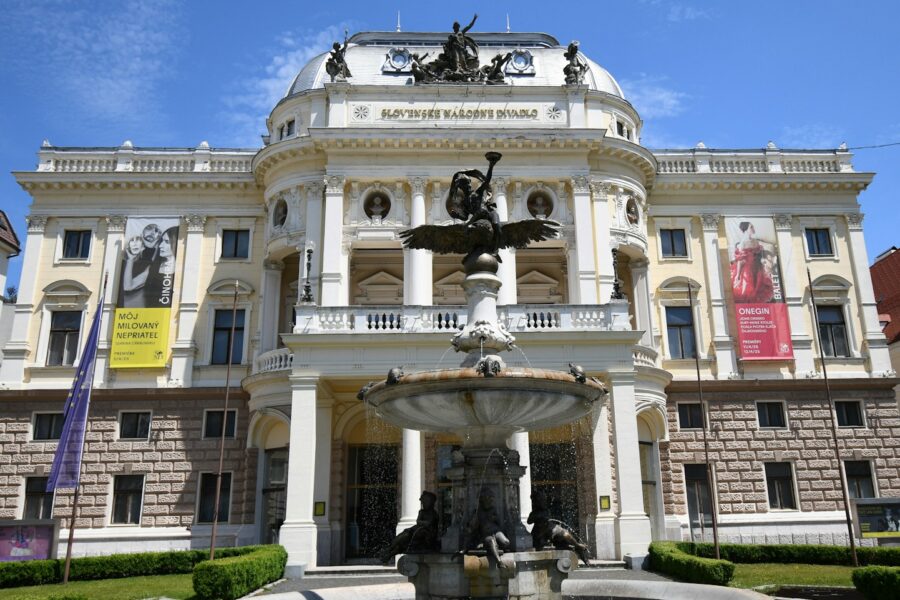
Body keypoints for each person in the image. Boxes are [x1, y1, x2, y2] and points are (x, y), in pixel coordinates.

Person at [379, 491, 440, 563]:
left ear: (431, 502)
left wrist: (423, 524)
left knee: (410, 537)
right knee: (405, 534)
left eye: (425, 501)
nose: (423, 504)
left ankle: (390, 553)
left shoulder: (433, 513)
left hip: (426, 533)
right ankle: (390, 549)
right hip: (417, 529)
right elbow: (419, 521)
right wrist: (424, 523)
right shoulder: (422, 512)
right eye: (423, 502)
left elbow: (429, 524)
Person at [730, 221, 775, 303]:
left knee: (759, 286)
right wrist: (738, 275)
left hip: (757, 267)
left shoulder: (755, 241)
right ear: (746, 229)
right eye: (751, 227)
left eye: (753, 226)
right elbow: (740, 260)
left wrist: (763, 261)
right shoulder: (743, 243)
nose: (753, 229)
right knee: (749, 288)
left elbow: (759, 254)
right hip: (747, 268)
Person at [465, 489, 510, 567]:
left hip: (496, 532)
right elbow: (471, 528)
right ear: (482, 500)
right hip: (486, 535)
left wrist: (494, 519)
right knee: (491, 540)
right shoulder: (477, 512)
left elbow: (499, 524)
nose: (490, 501)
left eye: (491, 499)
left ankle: (493, 546)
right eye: (487, 499)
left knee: (506, 542)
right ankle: (499, 562)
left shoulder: (493, 510)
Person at [120, 223, 162, 308]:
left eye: (156, 231)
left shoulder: (150, 265)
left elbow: (128, 286)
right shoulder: (122, 260)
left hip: (133, 312)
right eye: (150, 228)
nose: (153, 232)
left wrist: (130, 260)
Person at [143, 226, 178, 307]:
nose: (160, 246)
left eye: (166, 241)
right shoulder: (153, 267)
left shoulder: (181, 269)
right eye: (161, 241)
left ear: (175, 242)